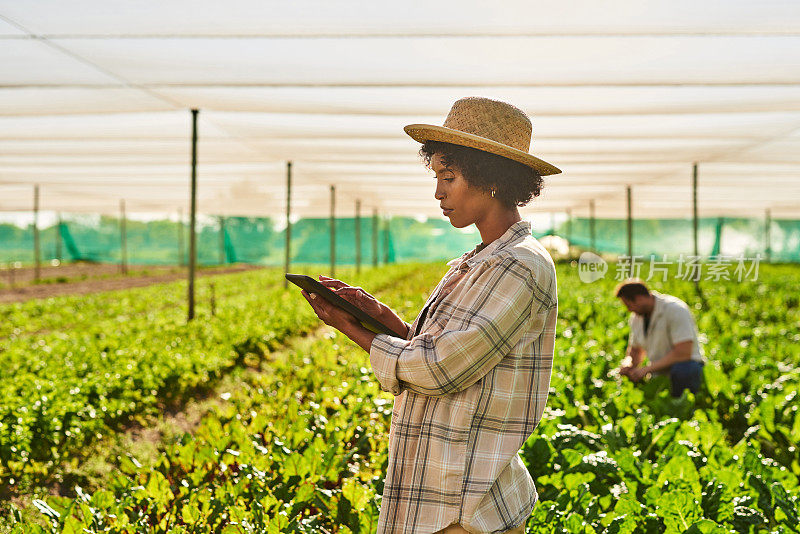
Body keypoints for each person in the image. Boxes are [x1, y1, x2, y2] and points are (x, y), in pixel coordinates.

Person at [299, 97, 560, 533]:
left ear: (490, 178)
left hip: (465, 506)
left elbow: (441, 369)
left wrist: (354, 332)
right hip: (439, 492)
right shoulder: (480, 259)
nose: (438, 192)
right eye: (438, 176)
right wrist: (380, 318)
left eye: (449, 177)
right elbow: (448, 350)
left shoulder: (518, 265)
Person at [615, 279, 705, 397]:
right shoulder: (636, 318)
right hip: (657, 371)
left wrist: (646, 369)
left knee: (683, 370)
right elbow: (636, 351)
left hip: (684, 366)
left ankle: (689, 402)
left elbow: (683, 353)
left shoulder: (675, 309)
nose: (628, 309)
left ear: (639, 298)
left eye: (628, 305)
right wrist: (628, 365)